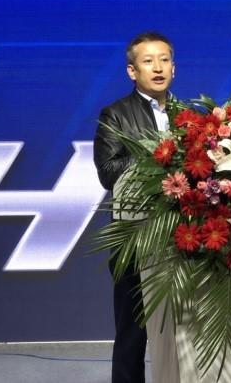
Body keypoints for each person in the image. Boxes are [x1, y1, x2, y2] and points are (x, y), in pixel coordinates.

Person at [93, 31, 175, 383]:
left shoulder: (190, 115)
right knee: (133, 332)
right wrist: (155, 153)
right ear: (132, 71)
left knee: (182, 331)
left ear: (173, 67)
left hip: (182, 236)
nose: (158, 68)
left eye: (164, 60)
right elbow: (108, 173)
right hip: (135, 238)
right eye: (148, 61)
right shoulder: (115, 114)